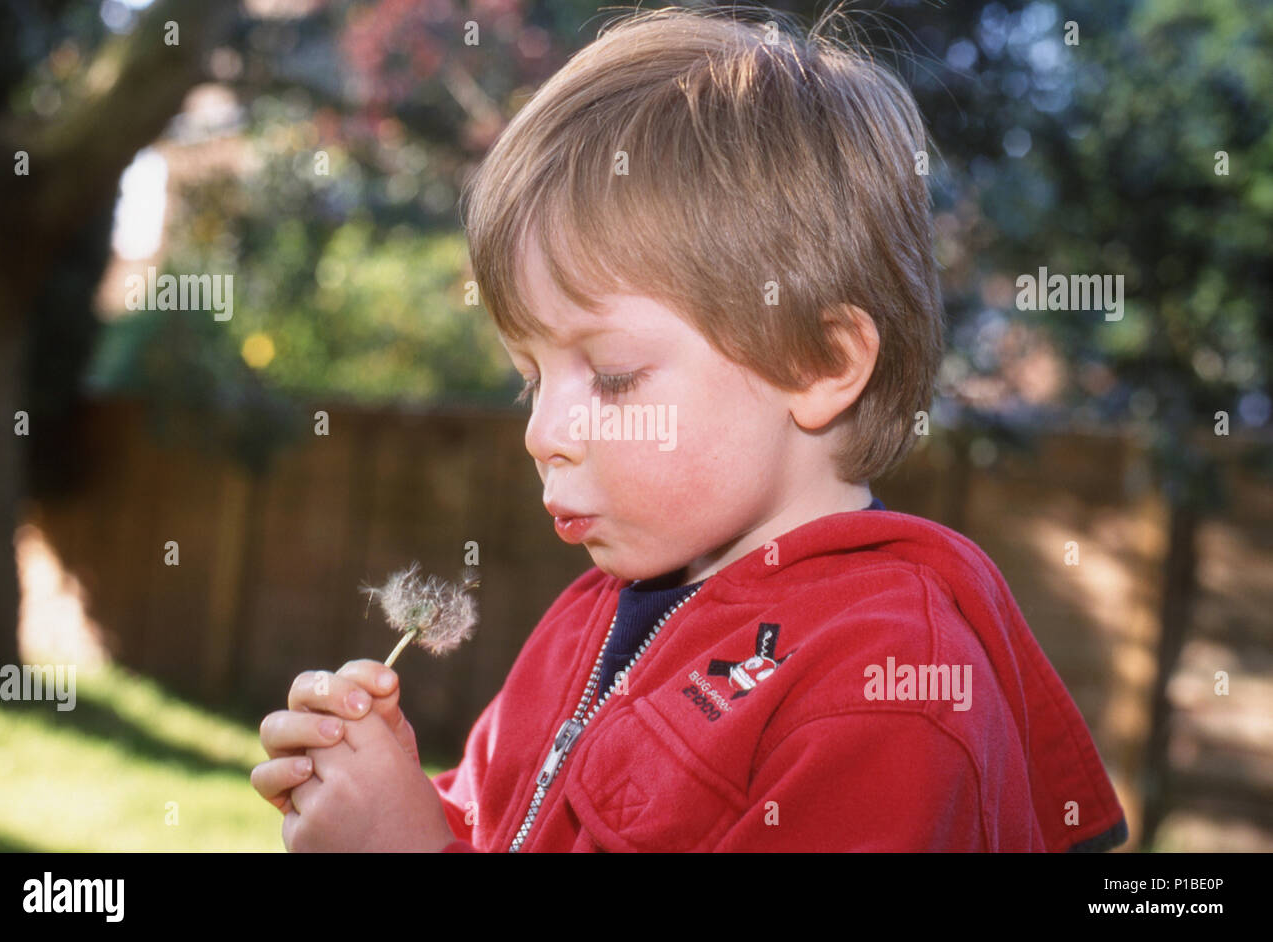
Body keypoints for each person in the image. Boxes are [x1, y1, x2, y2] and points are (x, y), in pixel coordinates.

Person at [251, 4, 1128, 852]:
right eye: (529, 380)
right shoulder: (585, 621)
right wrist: (393, 799)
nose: (543, 431)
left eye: (616, 374)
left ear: (820, 364)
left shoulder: (886, 694)